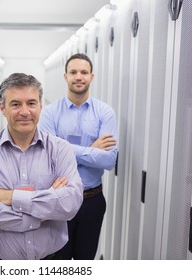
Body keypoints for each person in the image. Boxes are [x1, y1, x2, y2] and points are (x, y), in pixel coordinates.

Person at [0, 73, 83, 260]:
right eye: (15, 104)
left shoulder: (60, 149)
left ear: (40, 106)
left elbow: (70, 204)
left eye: (31, 103)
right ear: (2, 108)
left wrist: (11, 197)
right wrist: (44, 210)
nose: (25, 111)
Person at [38, 53, 118, 260]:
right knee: (57, 262)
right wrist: (92, 149)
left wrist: (64, 149)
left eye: (83, 72)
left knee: (85, 261)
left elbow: (109, 160)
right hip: (59, 199)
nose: (78, 76)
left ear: (91, 76)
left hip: (91, 200)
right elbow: (48, 156)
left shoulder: (105, 113)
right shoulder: (50, 113)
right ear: (65, 76)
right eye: (73, 72)